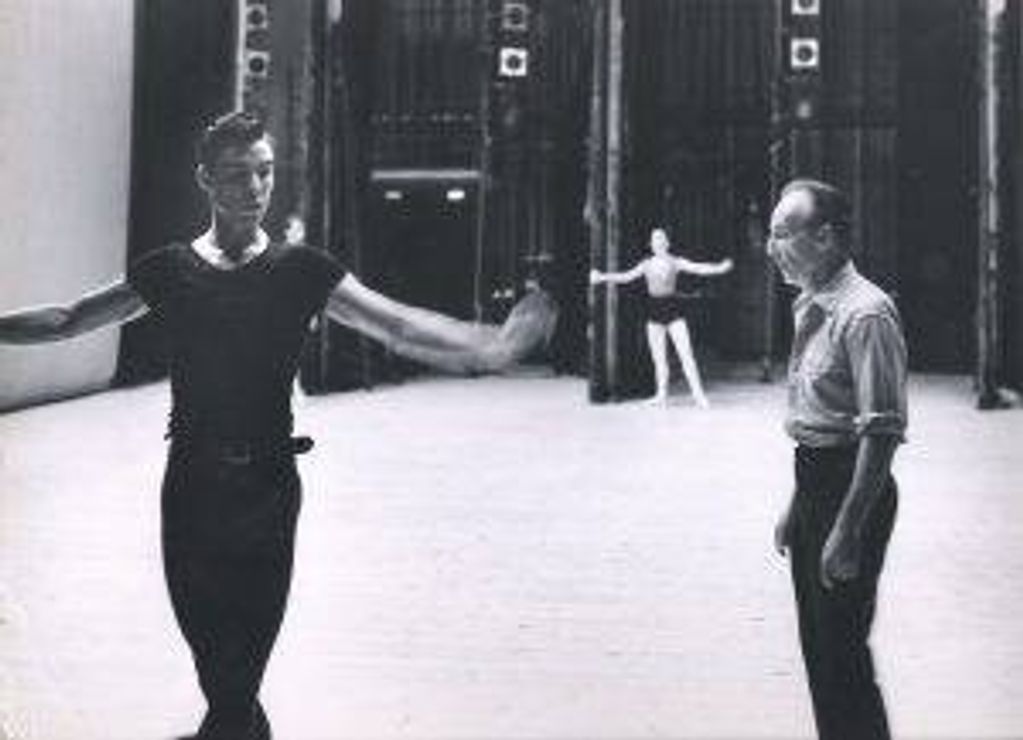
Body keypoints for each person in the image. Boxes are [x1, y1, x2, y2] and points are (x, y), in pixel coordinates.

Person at [0, 111, 556, 740]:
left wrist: (486, 346)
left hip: (268, 488)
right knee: (218, 667)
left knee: (239, 680)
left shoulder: (303, 271)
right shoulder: (169, 270)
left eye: (265, 172)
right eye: (238, 175)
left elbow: (397, 323)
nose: (256, 187)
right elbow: (68, 320)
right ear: (206, 180)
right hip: (191, 486)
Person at [768, 179, 907, 740]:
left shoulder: (865, 314)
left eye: (782, 233)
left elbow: (880, 433)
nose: (771, 246)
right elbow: (820, 423)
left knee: (844, 656)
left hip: (854, 492)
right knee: (820, 654)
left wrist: (847, 528)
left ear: (824, 238)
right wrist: (797, 506)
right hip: (816, 486)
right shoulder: (812, 304)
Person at [589, 227, 733, 406]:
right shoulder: (646, 264)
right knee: (659, 358)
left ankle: (699, 395)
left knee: (686, 355)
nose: (658, 241)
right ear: (651, 244)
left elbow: (698, 268)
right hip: (654, 311)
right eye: (654, 239)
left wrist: (719, 268)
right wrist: (602, 277)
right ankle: (661, 395)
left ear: (667, 243)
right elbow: (626, 277)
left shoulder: (676, 262)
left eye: (661, 238)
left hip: (673, 310)